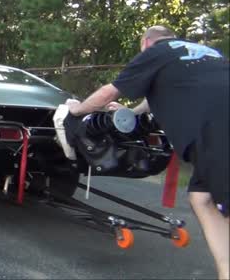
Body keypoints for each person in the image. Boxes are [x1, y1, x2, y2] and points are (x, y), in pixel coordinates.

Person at [66, 25, 229, 279]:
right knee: (201, 199)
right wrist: (131, 113)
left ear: (145, 42)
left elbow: (109, 92)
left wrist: (77, 111)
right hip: (213, 136)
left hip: (218, 137)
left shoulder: (156, 52)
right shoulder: (205, 52)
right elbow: (155, 97)